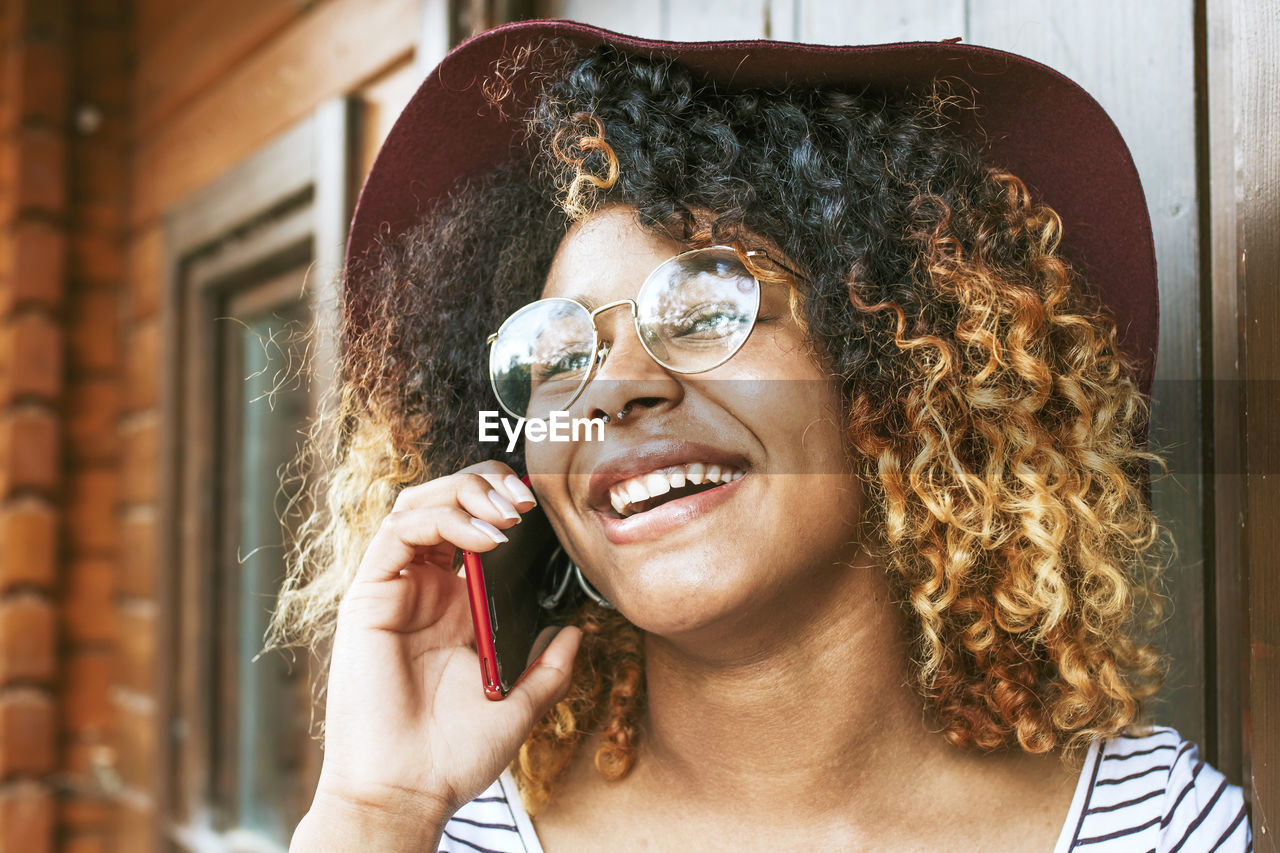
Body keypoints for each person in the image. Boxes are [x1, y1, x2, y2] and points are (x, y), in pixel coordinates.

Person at [276, 20, 1250, 852]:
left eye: (703, 308)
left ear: (889, 378)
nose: (612, 388)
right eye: (556, 350)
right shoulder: (440, 830)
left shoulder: (1155, 826)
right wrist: (371, 813)